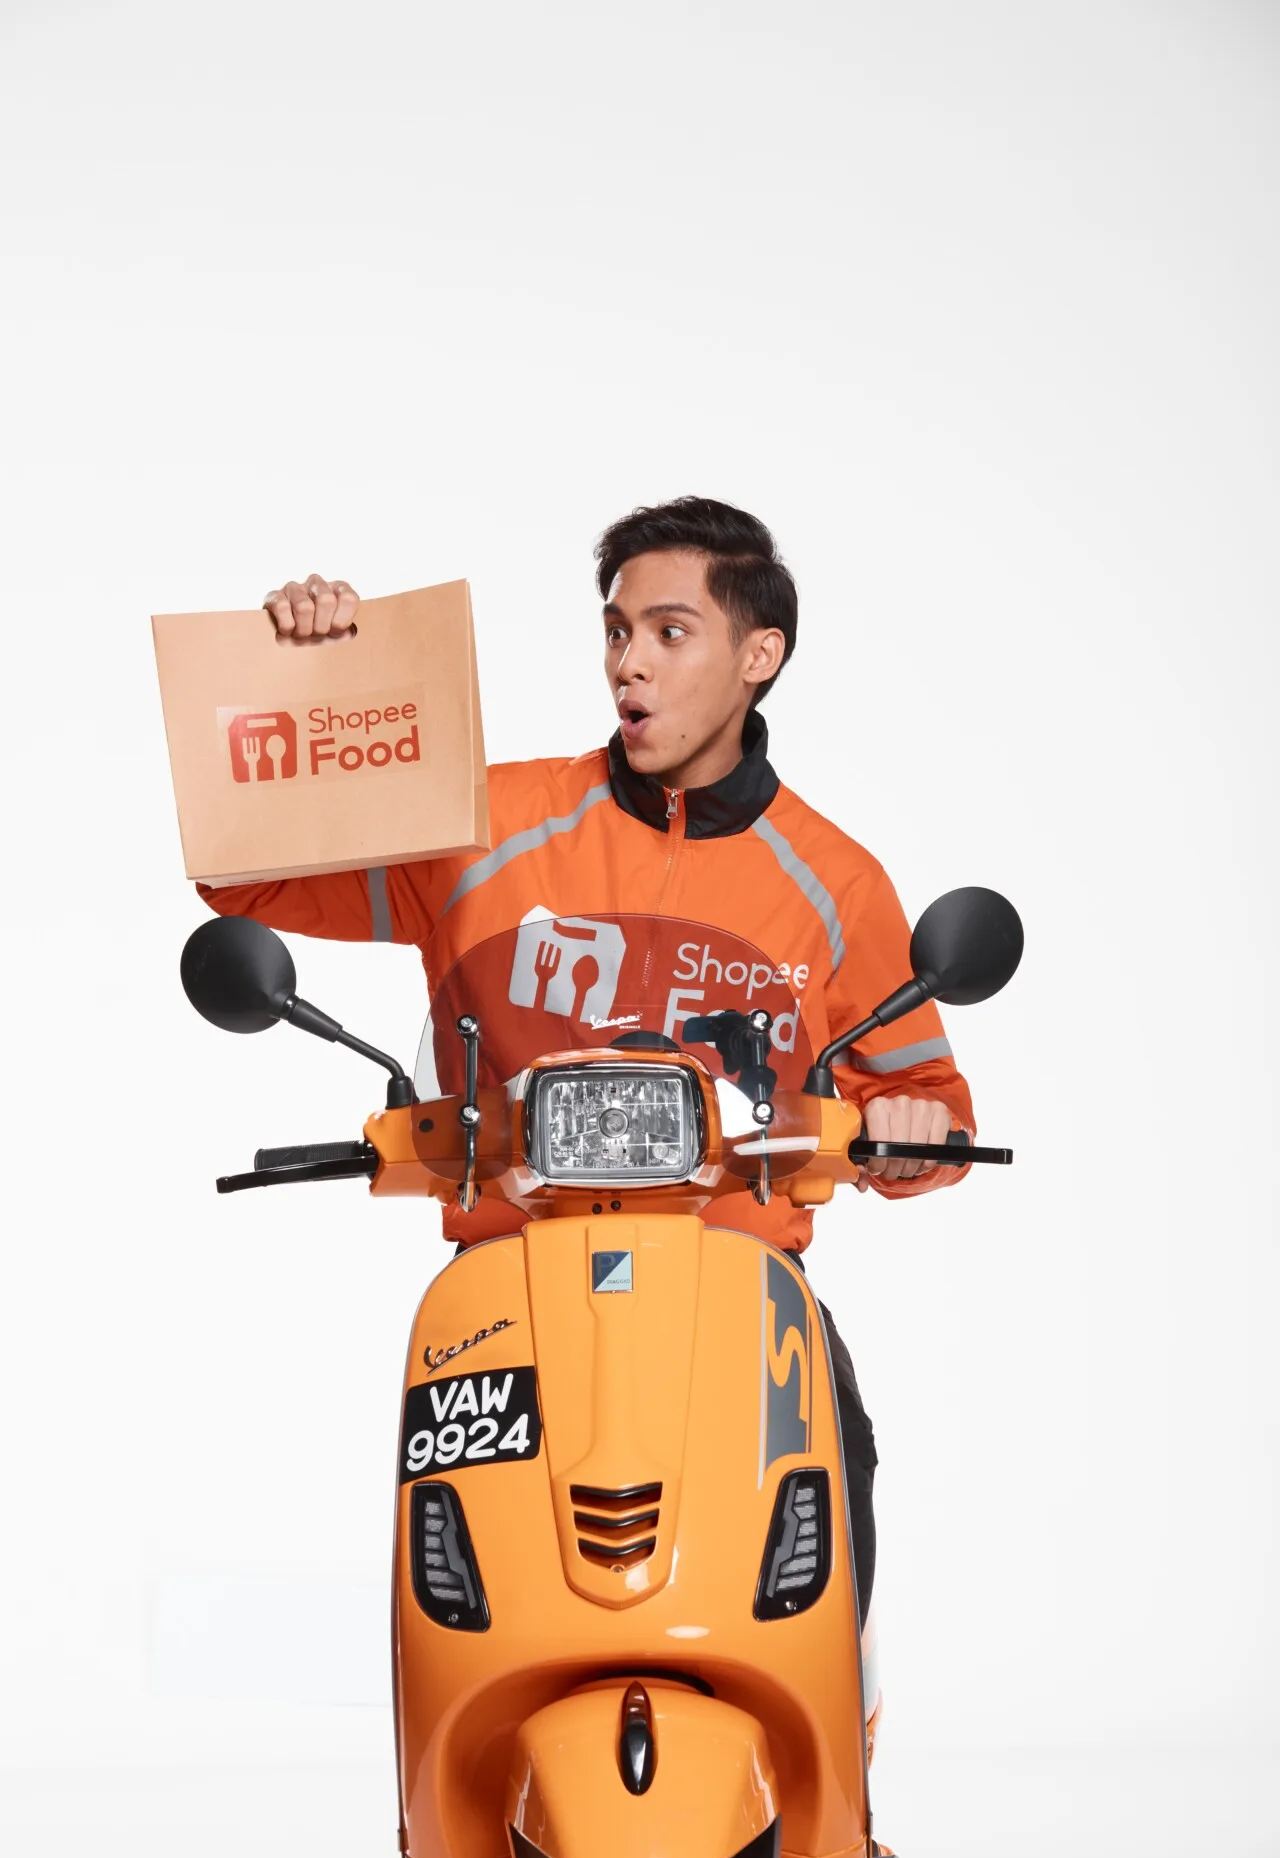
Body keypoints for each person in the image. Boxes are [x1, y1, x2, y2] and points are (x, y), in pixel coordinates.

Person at [199, 497, 978, 1621]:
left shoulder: (834, 882)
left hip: (736, 1296)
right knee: (464, 1592)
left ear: (759, 655)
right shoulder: (480, 823)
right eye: (617, 631)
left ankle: (824, 1702)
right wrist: (305, 677)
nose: (629, 663)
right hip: (511, 1292)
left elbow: (923, 1097)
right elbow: (246, 875)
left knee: (822, 1527)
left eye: (669, 632)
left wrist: (916, 1132)